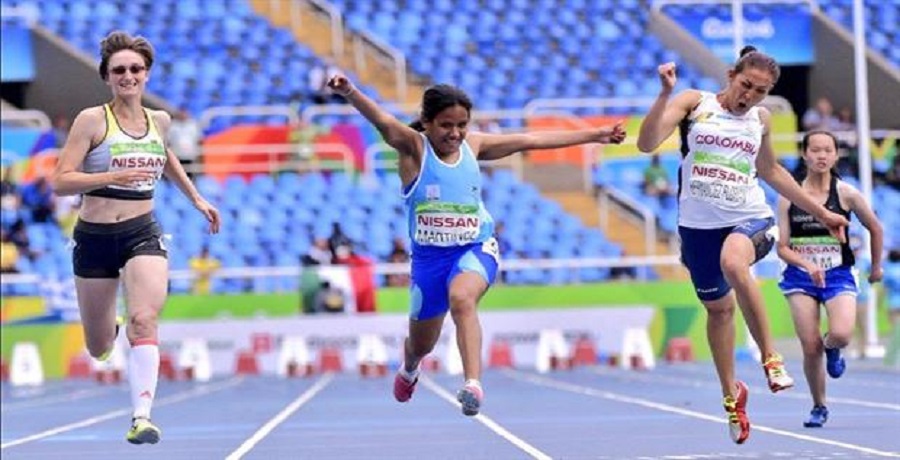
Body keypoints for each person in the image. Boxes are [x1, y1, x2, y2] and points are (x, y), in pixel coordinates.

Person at [328, 73, 626, 416]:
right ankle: (410, 366)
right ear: (426, 122)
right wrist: (349, 91)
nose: (455, 134)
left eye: (462, 125)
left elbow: (532, 140)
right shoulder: (412, 147)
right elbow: (381, 119)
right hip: (428, 261)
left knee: (462, 298)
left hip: (474, 248)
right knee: (421, 343)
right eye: (445, 125)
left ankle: (473, 384)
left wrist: (596, 134)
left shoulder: (475, 146)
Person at [636, 46, 849, 444]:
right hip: (697, 228)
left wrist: (822, 213)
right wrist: (664, 93)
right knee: (718, 313)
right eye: (746, 85)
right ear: (732, 75)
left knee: (736, 263)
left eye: (760, 91)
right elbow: (646, 144)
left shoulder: (760, 119)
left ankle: (771, 357)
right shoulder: (694, 103)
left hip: (748, 216)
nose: (749, 96)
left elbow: (769, 171)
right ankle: (731, 395)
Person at [49, 31, 220, 445]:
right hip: (94, 237)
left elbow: (166, 156)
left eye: (136, 69)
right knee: (99, 345)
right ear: (107, 77)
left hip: (142, 231)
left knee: (146, 319)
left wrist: (197, 197)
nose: (128, 76)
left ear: (147, 75)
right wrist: (111, 176)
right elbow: (60, 181)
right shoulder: (92, 120)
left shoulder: (158, 121)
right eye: (119, 70)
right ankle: (111, 329)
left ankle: (141, 417)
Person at [775, 130, 883, 428]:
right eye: (815, 150)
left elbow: (875, 227)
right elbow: (781, 247)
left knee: (841, 333)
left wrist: (876, 267)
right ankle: (818, 405)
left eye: (827, 150)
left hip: (838, 275)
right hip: (800, 276)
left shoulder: (846, 193)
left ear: (836, 156)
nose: (821, 156)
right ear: (804, 154)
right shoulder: (789, 197)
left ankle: (833, 348)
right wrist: (806, 264)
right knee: (810, 346)